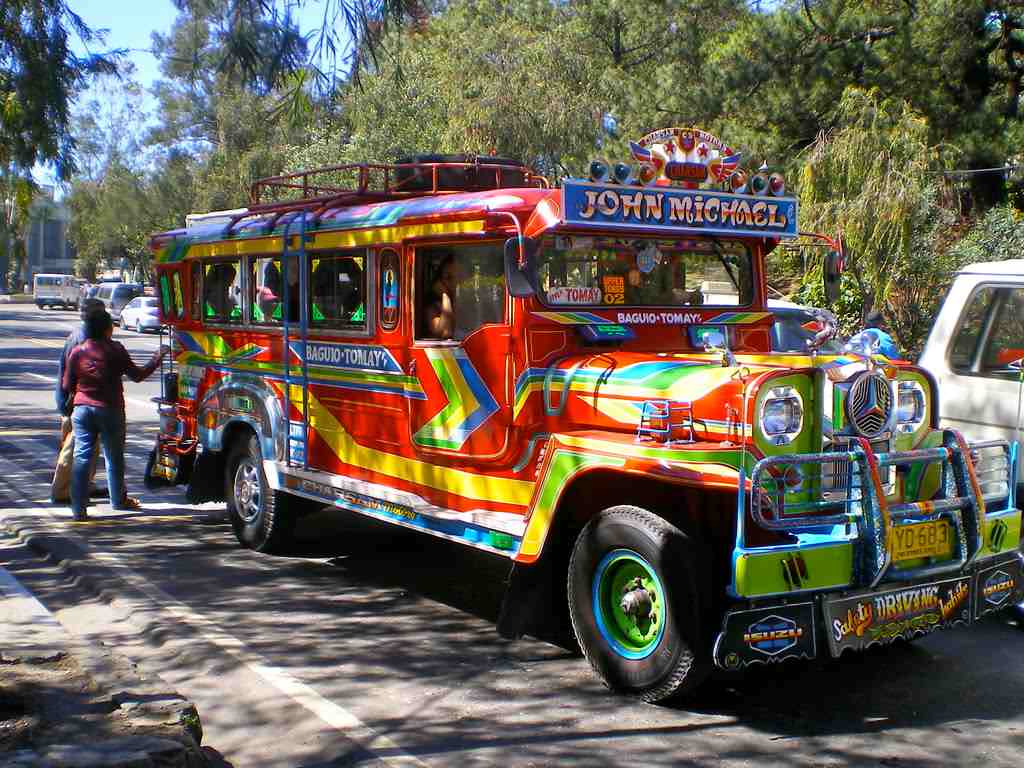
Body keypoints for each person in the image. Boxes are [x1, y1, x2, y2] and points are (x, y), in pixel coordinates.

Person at [62, 311, 168, 520]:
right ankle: (118, 500)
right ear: (107, 329)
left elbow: (67, 385)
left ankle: (78, 509)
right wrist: (157, 357)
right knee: (114, 457)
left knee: (82, 456)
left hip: (82, 410)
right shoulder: (115, 349)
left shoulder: (77, 352)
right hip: (110, 409)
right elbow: (137, 376)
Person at [52, 298, 105, 504]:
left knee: (86, 449)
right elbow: (74, 377)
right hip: (77, 404)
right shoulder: (84, 339)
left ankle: (85, 485)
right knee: (74, 450)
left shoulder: (82, 335)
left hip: (74, 402)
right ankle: (62, 490)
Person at [425, 254, 457, 339]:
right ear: (439, 281)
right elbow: (442, 332)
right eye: (448, 278)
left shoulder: (468, 300)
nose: (454, 282)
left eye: (457, 276)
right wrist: (445, 296)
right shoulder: (434, 306)